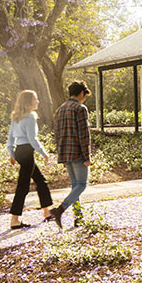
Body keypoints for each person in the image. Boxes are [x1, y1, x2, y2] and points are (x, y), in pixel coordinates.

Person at [6, 90, 55, 230]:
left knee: (40, 180)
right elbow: (33, 139)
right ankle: (15, 220)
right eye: (35, 99)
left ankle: (47, 212)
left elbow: (10, 138)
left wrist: (11, 153)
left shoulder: (16, 117)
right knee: (23, 186)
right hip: (27, 151)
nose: (37, 102)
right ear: (28, 102)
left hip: (19, 152)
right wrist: (44, 153)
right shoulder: (31, 117)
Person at [50, 81, 92, 230]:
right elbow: (84, 134)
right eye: (85, 96)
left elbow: (57, 135)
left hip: (66, 153)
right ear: (81, 93)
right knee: (81, 185)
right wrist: (87, 156)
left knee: (75, 186)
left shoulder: (59, 110)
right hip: (78, 153)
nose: (84, 98)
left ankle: (78, 218)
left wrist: (61, 155)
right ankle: (59, 210)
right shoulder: (80, 108)